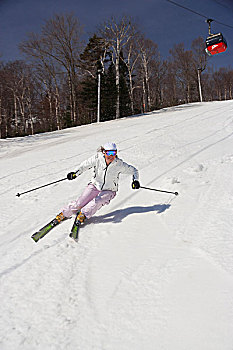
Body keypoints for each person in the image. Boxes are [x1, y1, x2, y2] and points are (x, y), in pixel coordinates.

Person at [56, 142, 140, 226]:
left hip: (109, 189)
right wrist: (75, 173)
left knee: (98, 201)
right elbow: (84, 166)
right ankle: (64, 213)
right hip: (95, 185)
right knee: (80, 202)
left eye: (114, 153)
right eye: (109, 153)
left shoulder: (119, 164)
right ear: (104, 152)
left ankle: (83, 215)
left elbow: (134, 170)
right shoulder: (97, 159)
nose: (111, 156)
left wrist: (135, 181)